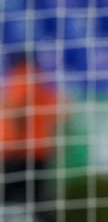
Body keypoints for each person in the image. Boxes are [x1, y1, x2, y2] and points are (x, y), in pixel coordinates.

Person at [1, 52, 61, 222]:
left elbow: (18, 109)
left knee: (13, 197)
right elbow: (59, 112)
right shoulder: (41, 81)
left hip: (20, 151)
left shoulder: (22, 76)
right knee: (34, 199)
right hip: (39, 149)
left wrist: (16, 142)